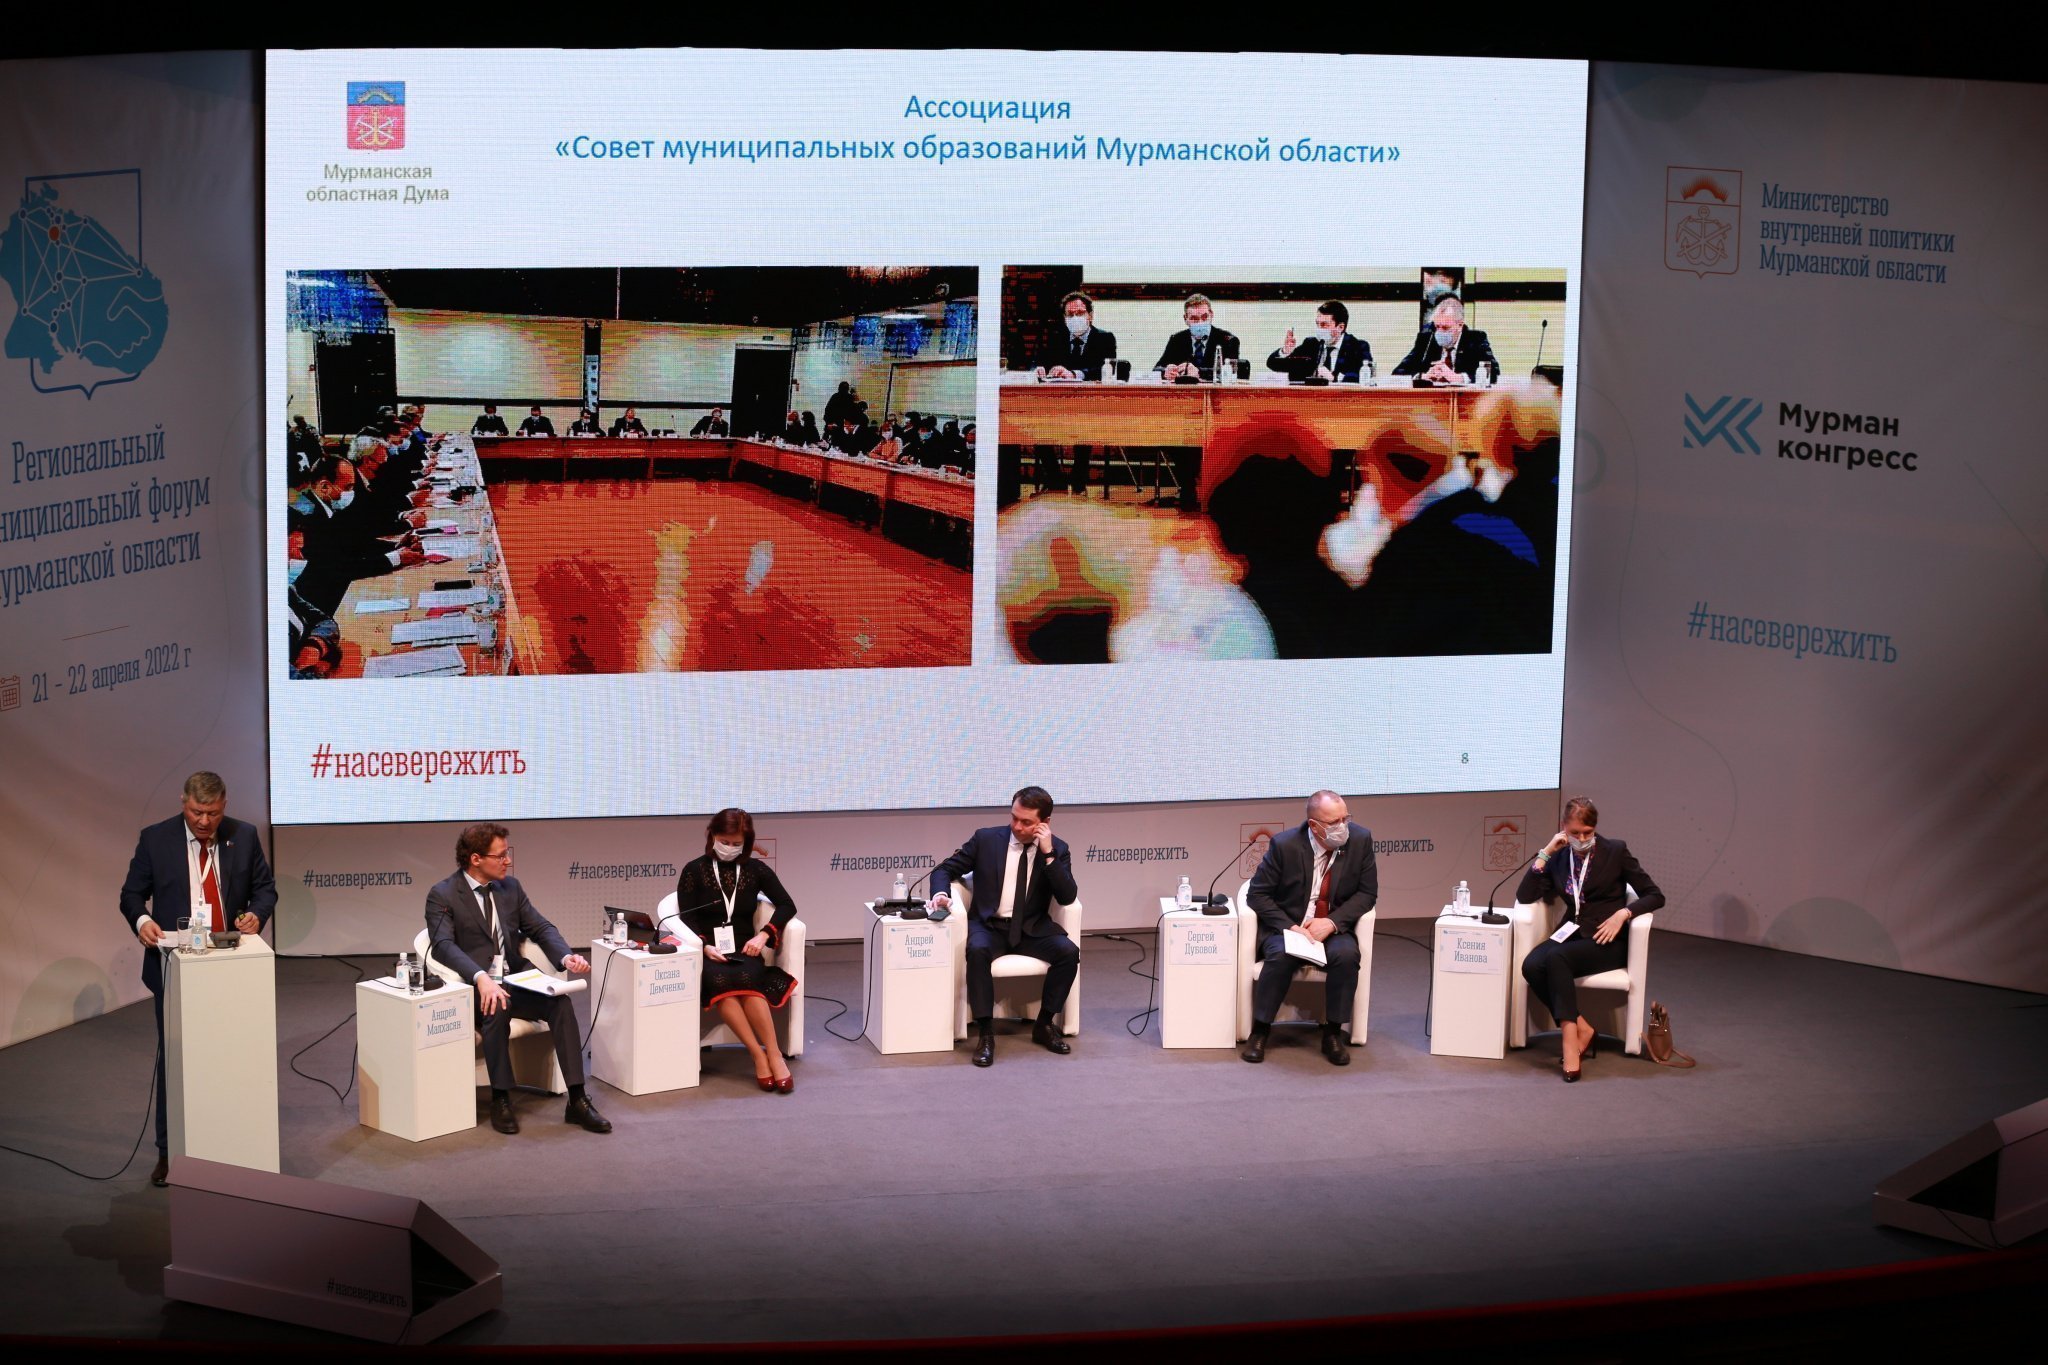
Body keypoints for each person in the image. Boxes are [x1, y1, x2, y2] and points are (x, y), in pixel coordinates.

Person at [118, 772, 277, 1186]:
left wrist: (256, 914)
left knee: (232, 1055)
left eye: (213, 813)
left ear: (224, 806)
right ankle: (169, 1152)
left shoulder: (244, 836)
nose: (205, 821)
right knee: (176, 1061)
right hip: (176, 968)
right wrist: (143, 921)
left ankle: (232, 1144)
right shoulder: (156, 839)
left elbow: (265, 889)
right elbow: (131, 895)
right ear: (183, 802)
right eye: (197, 812)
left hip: (231, 968)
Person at [424, 824, 610, 1135]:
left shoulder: (510, 888)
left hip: (517, 978)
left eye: (507, 854)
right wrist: (480, 977)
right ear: (475, 859)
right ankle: (501, 1098)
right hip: (477, 985)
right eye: (500, 855)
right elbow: (442, 945)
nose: (507, 861)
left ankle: (577, 1099)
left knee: (561, 1004)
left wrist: (565, 957)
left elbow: (540, 927)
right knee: (496, 1004)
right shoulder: (443, 894)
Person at [1515, 798, 1664, 1081]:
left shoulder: (1615, 851)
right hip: (1572, 932)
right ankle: (1583, 1028)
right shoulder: (1559, 857)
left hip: (1609, 940)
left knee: (1556, 957)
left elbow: (1655, 895)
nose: (1582, 839)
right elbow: (1525, 895)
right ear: (1563, 828)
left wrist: (1623, 913)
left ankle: (1569, 1042)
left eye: (1588, 832)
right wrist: (1546, 853)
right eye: (1576, 833)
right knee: (1531, 965)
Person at [930, 787, 1080, 1067]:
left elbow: (1067, 896)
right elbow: (944, 869)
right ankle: (986, 1034)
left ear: (1045, 823)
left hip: (1031, 928)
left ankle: (1044, 1024)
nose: (1017, 826)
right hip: (989, 926)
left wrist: (1048, 854)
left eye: (1026, 822)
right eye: (1014, 818)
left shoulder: (1058, 849)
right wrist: (941, 894)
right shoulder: (986, 839)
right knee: (977, 950)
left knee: (1068, 953)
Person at [659, 810, 800, 1093]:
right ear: (712, 836)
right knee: (722, 982)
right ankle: (757, 1055)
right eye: (725, 841)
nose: (730, 848)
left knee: (748, 982)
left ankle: (774, 1053)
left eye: (737, 844)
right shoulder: (694, 870)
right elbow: (687, 916)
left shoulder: (756, 870)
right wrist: (704, 946)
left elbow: (787, 905)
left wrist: (764, 934)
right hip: (709, 950)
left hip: (746, 948)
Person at [1241, 790, 1378, 1065]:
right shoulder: (1285, 845)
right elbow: (1257, 895)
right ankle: (1261, 1030)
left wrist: (1332, 922)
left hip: (1332, 926)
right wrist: (1292, 927)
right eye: (1334, 822)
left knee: (1347, 956)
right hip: (1290, 927)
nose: (1343, 827)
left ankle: (1333, 1032)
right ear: (1314, 826)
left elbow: (1367, 893)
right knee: (1281, 956)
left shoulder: (1360, 840)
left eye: (1346, 819)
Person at [1392, 295, 1499, 384]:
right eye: (1437, 327)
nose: (1440, 332)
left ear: (1460, 325)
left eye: (1445, 328)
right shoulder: (1427, 339)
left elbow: (1494, 373)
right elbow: (1398, 372)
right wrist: (1422, 376)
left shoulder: (1476, 339)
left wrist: (1459, 378)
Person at [1266, 301, 1370, 383]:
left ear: (1340, 327)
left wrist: (1334, 378)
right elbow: (1272, 364)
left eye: (1324, 325)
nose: (1319, 329)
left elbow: (1364, 375)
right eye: (1317, 324)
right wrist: (1285, 351)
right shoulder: (1311, 344)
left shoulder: (1358, 347)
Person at [1154, 293, 1241, 381]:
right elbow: (1157, 369)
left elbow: (1233, 372)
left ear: (1211, 315)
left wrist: (1199, 372)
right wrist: (1165, 371)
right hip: (1184, 389)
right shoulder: (1177, 340)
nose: (1200, 322)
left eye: (1204, 317)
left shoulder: (1228, 340)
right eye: (1194, 319)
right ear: (1185, 319)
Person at [1034, 291, 1117, 381]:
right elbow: (1037, 362)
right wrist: (1038, 369)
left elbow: (1108, 369)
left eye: (1080, 313)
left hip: (1091, 389)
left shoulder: (1105, 338)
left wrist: (1074, 374)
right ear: (1065, 318)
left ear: (1090, 315)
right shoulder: (1056, 338)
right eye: (1070, 314)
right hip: (1061, 389)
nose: (1075, 318)